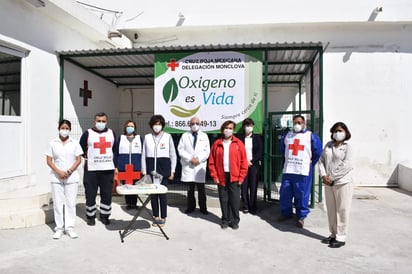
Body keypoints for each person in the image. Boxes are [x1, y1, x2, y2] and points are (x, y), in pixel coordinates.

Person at [278, 114, 322, 228]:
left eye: (299, 122)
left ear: (304, 124)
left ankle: (301, 216)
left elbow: (317, 152)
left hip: (303, 171)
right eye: (295, 122)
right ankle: (286, 213)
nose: (297, 124)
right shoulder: (287, 135)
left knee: (302, 194)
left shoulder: (310, 136)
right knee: (285, 192)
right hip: (288, 170)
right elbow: (282, 150)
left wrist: (309, 163)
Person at [45, 119, 83, 239]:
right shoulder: (52, 143)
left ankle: (69, 228)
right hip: (56, 177)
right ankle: (59, 228)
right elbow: (49, 160)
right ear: (58, 129)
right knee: (58, 203)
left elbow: (78, 159)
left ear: (70, 130)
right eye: (63, 128)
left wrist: (68, 171)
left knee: (70, 203)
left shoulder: (75, 143)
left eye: (67, 128)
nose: (64, 130)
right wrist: (59, 172)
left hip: (71, 177)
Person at [318, 122, 354, 248]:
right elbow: (321, 160)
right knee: (331, 209)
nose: (338, 133)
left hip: (342, 183)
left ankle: (341, 236)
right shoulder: (328, 145)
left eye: (340, 130)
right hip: (328, 183)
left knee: (342, 210)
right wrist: (323, 175)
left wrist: (331, 177)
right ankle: (333, 234)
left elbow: (347, 165)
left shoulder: (348, 147)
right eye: (336, 131)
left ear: (345, 133)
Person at [209, 120, 248, 229]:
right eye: (226, 128)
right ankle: (225, 219)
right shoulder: (217, 144)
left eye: (230, 128)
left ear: (233, 130)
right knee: (224, 199)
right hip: (221, 176)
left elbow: (243, 162)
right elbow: (211, 162)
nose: (228, 130)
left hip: (234, 177)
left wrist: (241, 177)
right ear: (222, 129)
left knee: (235, 200)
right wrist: (214, 176)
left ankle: (235, 220)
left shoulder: (238, 144)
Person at [79, 112, 117, 226]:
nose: (101, 123)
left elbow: (114, 149)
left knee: (106, 194)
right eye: (98, 121)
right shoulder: (87, 133)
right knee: (90, 194)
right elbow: (81, 149)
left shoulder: (111, 133)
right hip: (91, 169)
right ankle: (90, 216)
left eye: (103, 121)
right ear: (94, 121)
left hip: (107, 169)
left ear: (107, 122)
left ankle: (105, 216)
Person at [141, 115, 177, 227]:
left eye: (159, 124)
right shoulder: (147, 137)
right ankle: (156, 216)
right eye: (155, 124)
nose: (157, 126)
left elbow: (173, 155)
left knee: (162, 194)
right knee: (153, 195)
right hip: (151, 170)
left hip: (164, 170)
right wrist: (144, 170)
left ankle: (163, 217)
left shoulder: (168, 136)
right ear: (151, 125)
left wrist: (172, 170)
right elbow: (143, 155)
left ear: (162, 125)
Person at [177, 116, 211, 215]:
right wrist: (190, 159)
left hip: (199, 166)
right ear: (189, 124)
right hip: (189, 165)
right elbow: (180, 150)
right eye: (192, 123)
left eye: (196, 123)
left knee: (201, 189)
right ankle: (190, 207)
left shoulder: (204, 136)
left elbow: (207, 151)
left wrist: (199, 159)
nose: (194, 125)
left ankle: (203, 208)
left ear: (200, 124)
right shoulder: (184, 135)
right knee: (190, 190)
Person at [114, 120, 143, 210]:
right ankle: (128, 204)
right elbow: (116, 153)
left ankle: (134, 204)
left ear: (134, 128)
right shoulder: (121, 138)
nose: (130, 128)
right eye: (128, 126)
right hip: (123, 167)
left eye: (132, 126)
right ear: (125, 127)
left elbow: (143, 153)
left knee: (134, 187)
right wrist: (116, 167)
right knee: (127, 186)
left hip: (136, 167)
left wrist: (142, 167)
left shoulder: (139, 138)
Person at [238, 118, 263, 215]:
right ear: (244, 127)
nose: (248, 127)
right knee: (244, 186)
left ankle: (253, 206)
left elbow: (260, 152)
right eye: (247, 125)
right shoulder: (240, 138)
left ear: (253, 127)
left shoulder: (257, 138)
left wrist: (252, 161)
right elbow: (238, 151)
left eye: (250, 125)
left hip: (254, 165)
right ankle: (245, 206)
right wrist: (244, 162)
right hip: (243, 165)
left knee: (253, 186)